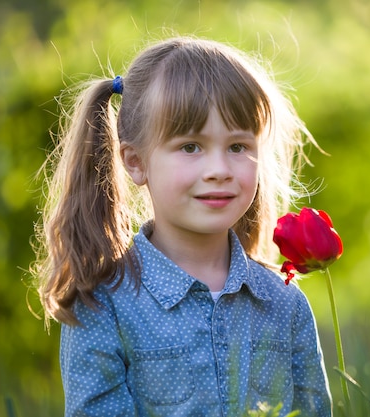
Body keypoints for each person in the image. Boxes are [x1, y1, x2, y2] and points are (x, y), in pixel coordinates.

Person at [32, 36, 332, 417]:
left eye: (238, 147)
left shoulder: (284, 304)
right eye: (191, 146)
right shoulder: (104, 305)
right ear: (136, 162)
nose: (219, 171)